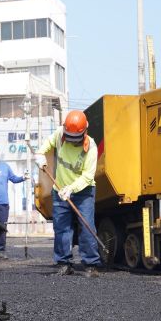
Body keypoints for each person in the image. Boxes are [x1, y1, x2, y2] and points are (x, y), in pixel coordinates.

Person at [35, 110, 101, 277]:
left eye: (75, 139)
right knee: (62, 228)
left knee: (87, 226)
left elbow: (88, 176)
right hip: (59, 190)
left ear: (84, 132)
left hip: (83, 192)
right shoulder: (59, 134)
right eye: (69, 137)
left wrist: (71, 189)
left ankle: (90, 265)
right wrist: (40, 155)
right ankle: (64, 263)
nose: (71, 141)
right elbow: (46, 145)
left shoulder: (91, 148)